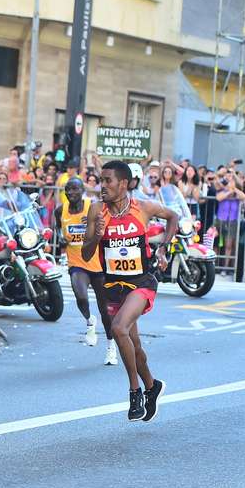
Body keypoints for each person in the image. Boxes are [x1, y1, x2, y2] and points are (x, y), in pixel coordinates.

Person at [82, 160, 176, 422]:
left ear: (123, 184)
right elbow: (87, 253)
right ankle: (152, 386)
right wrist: (96, 237)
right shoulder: (96, 211)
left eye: (107, 181)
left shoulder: (142, 208)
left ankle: (134, 393)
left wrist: (163, 247)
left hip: (141, 282)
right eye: (100, 181)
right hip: (114, 286)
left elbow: (172, 217)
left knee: (119, 328)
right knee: (133, 347)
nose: (102, 186)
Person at [55, 178, 119, 365]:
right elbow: (59, 231)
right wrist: (61, 240)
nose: (71, 192)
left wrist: (92, 222)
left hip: (98, 263)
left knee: (105, 310)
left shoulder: (93, 207)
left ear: (82, 190)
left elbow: (107, 227)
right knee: (81, 297)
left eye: (75, 189)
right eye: (68, 189)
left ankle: (110, 347)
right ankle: (90, 321)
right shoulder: (60, 210)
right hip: (77, 261)